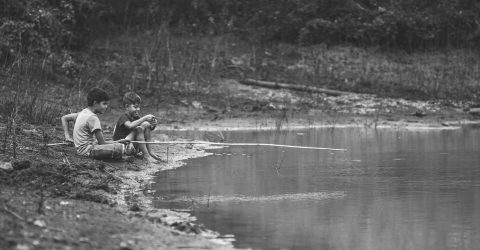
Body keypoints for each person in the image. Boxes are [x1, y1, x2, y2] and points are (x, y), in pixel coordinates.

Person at [61, 87, 129, 160]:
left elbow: (64, 118)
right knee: (120, 147)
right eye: (104, 104)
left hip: (80, 150)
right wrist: (118, 142)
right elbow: (102, 143)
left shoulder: (83, 112)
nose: (106, 107)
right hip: (88, 151)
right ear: (95, 103)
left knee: (111, 143)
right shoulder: (93, 118)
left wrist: (67, 136)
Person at [112, 92, 163, 162]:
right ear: (127, 107)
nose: (138, 109)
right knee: (138, 128)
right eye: (135, 107)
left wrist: (153, 125)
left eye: (138, 107)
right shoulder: (123, 117)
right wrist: (144, 118)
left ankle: (150, 152)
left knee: (146, 124)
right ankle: (146, 155)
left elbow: (147, 128)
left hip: (132, 146)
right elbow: (130, 126)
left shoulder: (135, 117)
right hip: (122, 147)